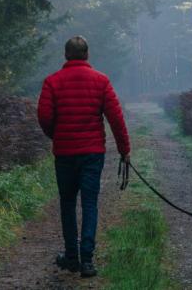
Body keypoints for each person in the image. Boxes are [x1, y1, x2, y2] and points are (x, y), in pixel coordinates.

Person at [37, 35, 131, 278]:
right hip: (92, 154)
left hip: (65, 154)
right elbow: (116, 119)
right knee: (89, 203)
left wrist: (55, 135)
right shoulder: (101, 81)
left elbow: (45, 117)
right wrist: (124, 150)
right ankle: (87, 260)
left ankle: (71, 257)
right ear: (87, 55)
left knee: (67, 203)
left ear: (66, 55)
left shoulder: (52, 82)